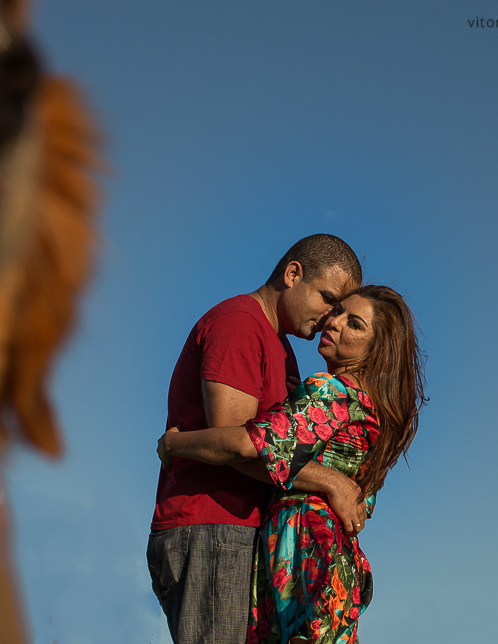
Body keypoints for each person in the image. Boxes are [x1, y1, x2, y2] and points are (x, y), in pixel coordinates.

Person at [157, 285, 427, 644]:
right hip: (332, 565)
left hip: (302, 557)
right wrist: (330, 481)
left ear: (376, 351)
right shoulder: (376, 416)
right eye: (337, 311)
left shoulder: (332, 393)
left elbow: (246, 445)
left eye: (355, 324)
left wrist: (175, 443)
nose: (333, 322)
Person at [147, 235, 367, 644]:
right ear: (292, 273)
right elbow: (241, 446)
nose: (328, 318)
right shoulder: (240, 324)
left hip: (236, 534)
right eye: (327, 299)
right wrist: (332, 482)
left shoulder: (281, 348)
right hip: (213, 528)